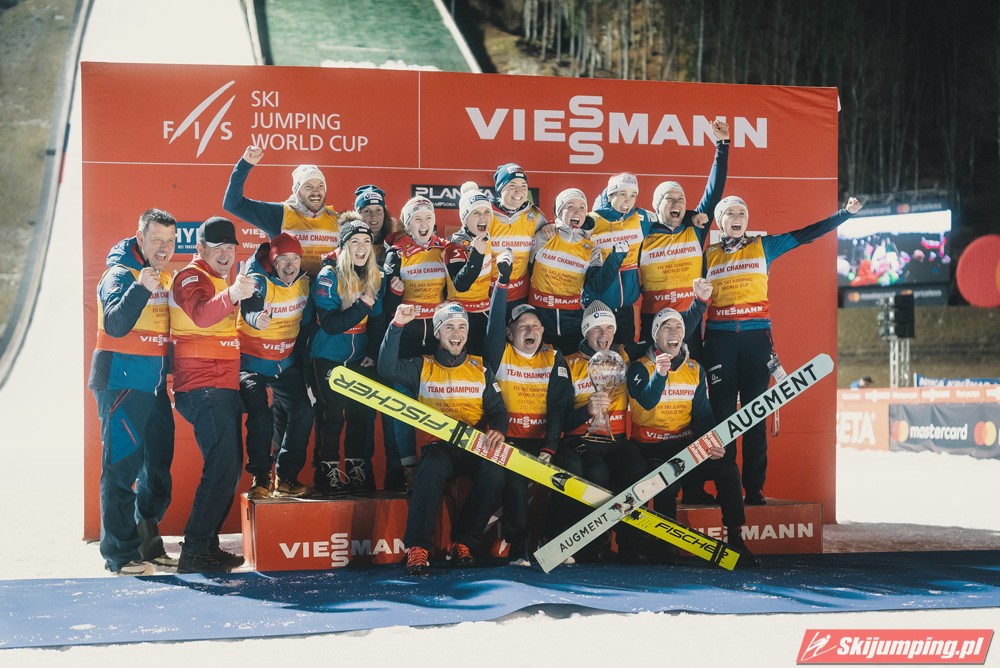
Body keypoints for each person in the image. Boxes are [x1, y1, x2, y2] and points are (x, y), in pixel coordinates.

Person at [704, 196, 864, 505]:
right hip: (719, 339)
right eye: (730, 213)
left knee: (755, 414)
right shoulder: (708, 255)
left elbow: (807, 234)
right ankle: (726, 488)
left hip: (756, 338)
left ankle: (754, 489)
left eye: (742, 213)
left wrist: (845, 214)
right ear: (720, 221)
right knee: (722, 418)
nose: (737, 218)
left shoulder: (763, 246)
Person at [378, 302, 508, 576]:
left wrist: (498, 428)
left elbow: (497, 408)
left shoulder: (480, 367)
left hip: (473, 446)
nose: (456, 333)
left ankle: (462, 543)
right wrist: (397, 325)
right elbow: (386, 369)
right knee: (432, 467)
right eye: (449, 327)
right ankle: (417, 548)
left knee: (494, 472)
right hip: (438, 448)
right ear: (437, 333)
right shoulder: (422, 366)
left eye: (461, 327)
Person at [627, 305, 758, 566]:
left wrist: (713, 443)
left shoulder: (694, 369)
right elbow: (648, 401)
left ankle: (736, 538)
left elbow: (704, 415)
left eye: (678, 327)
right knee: (666, 483)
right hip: (650, 447)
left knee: (728, 469)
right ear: (656, 335)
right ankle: (664, 544)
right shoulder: (639, 368)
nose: (673, 332)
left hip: (684, 447)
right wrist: (660, 374)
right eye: (666, 328)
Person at [89, 208, 178, 575]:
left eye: (170, 241)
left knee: (157, 468)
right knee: (121, 469)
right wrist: (141, 287)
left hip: (153, 385)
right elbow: (114, 324)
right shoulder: (119, 274)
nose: (164, 248)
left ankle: (146, 542)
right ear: (140, 238)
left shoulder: (164, 275)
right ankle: (120, 554)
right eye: (156, 239)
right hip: (122, 382)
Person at [169, 216, 256, 573]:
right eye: (217, 247)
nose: (225, 254)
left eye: (230, 247)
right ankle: (194, 551)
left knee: (229, 469)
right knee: (222, 467)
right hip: (201, 386)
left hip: (221, 385)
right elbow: (202, 316)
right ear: (200, 248)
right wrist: (233, 294)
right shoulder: (190, 277)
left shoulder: (221, 280)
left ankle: (206, 546)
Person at [484, 257, 575, 566]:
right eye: (523, 326)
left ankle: (555, 540)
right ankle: (519, 545)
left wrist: (550, 448)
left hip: (542, 442)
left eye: (535, 326)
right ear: (510, 334)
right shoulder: (500, 351)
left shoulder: (553, 356)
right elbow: (494, 324)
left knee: (573, 466)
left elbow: (559, 407)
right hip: (508, 440)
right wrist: (503, 284)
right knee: (515, 481)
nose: (531, 330)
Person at [561, 301, 649, 562]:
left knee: (637, 467)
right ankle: (595, 544)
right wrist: (586, 410)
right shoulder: (568, 363)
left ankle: (631, 545)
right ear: (585, 331)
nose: (604, 334)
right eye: (596, 328)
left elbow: (667, 339)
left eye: (609, 328)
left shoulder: (624, 356)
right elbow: (561, 420)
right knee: (596, 472)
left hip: (616, 439)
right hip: (581, 439)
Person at [638, 119, 731, 359]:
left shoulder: (696, 228)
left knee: (691, 374)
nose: (677, 203)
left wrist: (722, 146)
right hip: (653, 319)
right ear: (657, 206)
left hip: (688, 318)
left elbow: (714, 191)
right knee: (655, 374)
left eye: (681, 199)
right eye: (670, 199)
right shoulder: (643, 233)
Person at [310, 219, 387, 496]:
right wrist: (362, 305)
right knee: (332, 416)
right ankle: (327, 471)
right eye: (354, 241)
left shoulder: (374, 275)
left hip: (358, 358)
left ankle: (356, 469)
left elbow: (377, 320)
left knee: (359, 414)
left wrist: (372, 353)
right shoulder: (329, 275)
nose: (362, 247)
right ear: (343, 247)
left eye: (366, 241)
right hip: (327, 355)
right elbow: (331, 324)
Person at [237, 232, 313, 500]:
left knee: (303, 410)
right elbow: (250, 307)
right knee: (261, 416)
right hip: (252, 363)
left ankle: (286, 477)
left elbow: (307, 324)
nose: (290, 265)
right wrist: (257, 318)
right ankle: (261, 477)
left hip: (284, 363)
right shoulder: (259, 280)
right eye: (283, 259)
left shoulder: (304, 284)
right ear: (273, 261)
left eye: (295, 259)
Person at [222, 145, 338, 278]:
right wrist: (244, 165)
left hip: (325, 290)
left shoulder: (336, 219)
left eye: (320, 186)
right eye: (308, 186)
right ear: (297, 191)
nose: (316, 191)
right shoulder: (280, 214)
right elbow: (233, 204)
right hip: (289, 290)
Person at [528, 188, 604, 355]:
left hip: (572, 318)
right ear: (559, 211)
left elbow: (597, 283)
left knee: (571, 363)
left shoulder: (592, 248)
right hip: (540, 316)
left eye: (582, 207)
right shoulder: (543, 236)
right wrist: (549, 226)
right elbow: (526, 269)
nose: (577, 212)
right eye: (570, 206)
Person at [583, 172, 652, 348]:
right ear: (610, 195)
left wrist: (691, 217)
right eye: (623, 194)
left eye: (633, 195)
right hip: (599, 307)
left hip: (626, 308)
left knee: (625, 355)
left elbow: (670, 221)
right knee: (598, 355)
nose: (628, 201)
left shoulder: (640, 218)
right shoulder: (591, 220)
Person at [444, 182, 495, 355]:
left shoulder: (486, 236)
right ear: (465, 218)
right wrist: (476, 255)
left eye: (487, 212)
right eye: (476, 213)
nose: (483, 218)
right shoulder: (455, 243)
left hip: (484, 311)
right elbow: (461, 284)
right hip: (460, 316)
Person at [490, 163, 548, 305]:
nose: (519, 191)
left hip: (520, 295)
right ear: (501, 188)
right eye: (512, 185)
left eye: (523, 186)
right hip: (488, 294)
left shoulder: (536, 216)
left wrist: (551, 227)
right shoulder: (486, 214)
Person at [354, 184, 401, 264]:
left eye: (378, 210)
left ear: (384, 213)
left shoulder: (398, 240)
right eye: (367, 211)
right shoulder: (348, 241)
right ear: (358, 215)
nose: (374, 215)